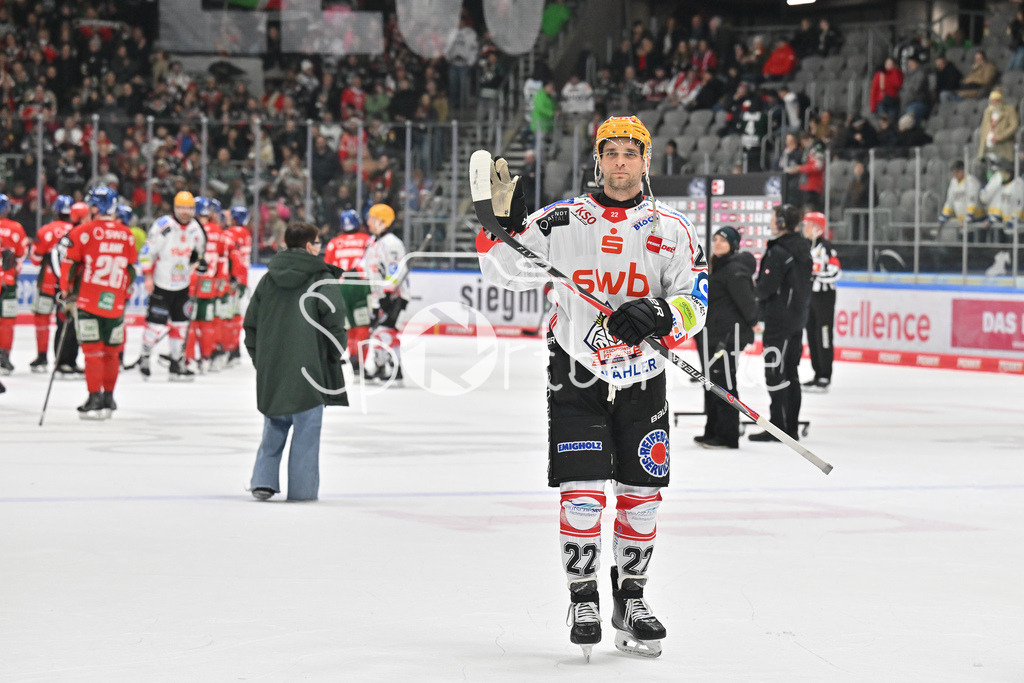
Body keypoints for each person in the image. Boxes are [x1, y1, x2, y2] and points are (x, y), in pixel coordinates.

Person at [476, 115, 709, 659]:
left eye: (632, 152)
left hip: (643, 377)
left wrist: (659, 313)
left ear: (647, 162)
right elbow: (502, 268)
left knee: (642, 499)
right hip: (577, 369)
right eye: (612, 152)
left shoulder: (672, 228)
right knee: (582, 495)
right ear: (598, 160)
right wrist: (498, 221)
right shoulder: (563, 219)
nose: (621, 161)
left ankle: (631, 599)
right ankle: (582, 597)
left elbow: (696, 299)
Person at [244, 223, 348, 502]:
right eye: (317, 242)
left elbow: (250, 324)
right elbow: (335, 320)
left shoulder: (268, 280)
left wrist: (261, 360)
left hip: (274, 367)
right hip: (310, 369)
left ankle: (263, 480)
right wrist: (333, 355)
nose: (320, 246)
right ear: (308, 246)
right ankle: (301, 490)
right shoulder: (321, 279)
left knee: (274, 422)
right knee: (306, 429)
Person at [58, 186, 137, 419]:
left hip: (89, 301)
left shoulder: (82, 232)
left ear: (94, 207)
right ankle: (109, 397)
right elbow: (130, 270)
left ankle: (94, 397)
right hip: (115, 303)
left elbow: (69, 265)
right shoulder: (127, 234)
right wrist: (123, 295)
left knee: (93, 352)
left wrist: (66, 292)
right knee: (112, 352)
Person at [750, 204, 811, 442]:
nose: (772, 223)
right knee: (791, 371)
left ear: (783, 222)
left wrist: (753, 296)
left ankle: (779, 426)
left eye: (775, 219)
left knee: (775, 372)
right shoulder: (803, 249)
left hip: (779, 321)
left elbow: (765, 288)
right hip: (796, 319)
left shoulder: (780, 252)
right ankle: (790, 426)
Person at [694, 226, 757, 449]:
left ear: (733, 244)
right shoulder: (719, 268)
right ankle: (712, 430)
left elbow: (748, 304)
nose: (718, 243)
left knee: (724, 384)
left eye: (723, 240)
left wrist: (751, 324)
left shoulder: (734, 270)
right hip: (710, 335)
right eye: (716, 239)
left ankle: (727, 435)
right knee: (711, 384)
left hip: (725, 338)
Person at [137, 191, 207, 380]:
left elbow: (200, 253)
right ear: (175, 208)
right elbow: (146, 252)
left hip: (182, 285)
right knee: (155, 326)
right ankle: (145, 356)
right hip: (161, 284)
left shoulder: (196, 229)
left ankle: (177, 363)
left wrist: (199, 262)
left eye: (189, 208)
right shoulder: (163, 226)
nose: (185, 212)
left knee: (181, 326)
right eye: (182, 207)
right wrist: (148, 277)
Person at [27, 195, 74, 373]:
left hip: (47, 283)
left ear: (55, 211)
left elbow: (35, 259)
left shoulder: (46, 230)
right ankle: (64, 360)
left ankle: (42, 357)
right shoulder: (76, 230)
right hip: (67, 285)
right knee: (65, 323)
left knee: (42, 319)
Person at [360, 203, 407, 383]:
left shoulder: (391, 243)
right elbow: (367, 267)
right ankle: (381, 364)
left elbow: (395, 271)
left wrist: (388, 294)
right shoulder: (373, 242)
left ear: (383, 222)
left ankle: (396, 367)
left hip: (394, 296)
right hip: (378, 296)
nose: (369, 221)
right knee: (377, 330)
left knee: (384, 330)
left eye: (373, 218)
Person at [324, 209, 373, 371]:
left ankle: (352, 355)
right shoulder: (367, 240)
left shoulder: (334, 243)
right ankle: (360, 359)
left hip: (341, 287)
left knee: (349, 324)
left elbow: (327, 268)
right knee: (363, 323)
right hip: (361, 285)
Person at [801, 212, 841, 392]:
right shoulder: (805, 247)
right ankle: (817, 373)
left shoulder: (826, 248)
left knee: (823, 334)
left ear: (818, 228)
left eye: (808, 225)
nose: (805, 228)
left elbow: (835, 272)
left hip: (824, 297)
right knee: (811, 334)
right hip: (810, 297)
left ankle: (825, 375)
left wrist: (813, 277)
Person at [0, 193, 27, 375]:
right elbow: (22, 254)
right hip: (8, 281)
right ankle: (4, 356)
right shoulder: (16, 228)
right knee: (7, 321)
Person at [222, 205, 252, 367]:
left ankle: (229, 350)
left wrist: (233, 276)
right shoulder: (246, 233)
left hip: (232, 280)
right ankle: (234, 350)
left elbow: (232, 255)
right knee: (234, 316)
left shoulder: (231, 233)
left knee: (227, 316)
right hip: (242, 280)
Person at [938, 160, 985, 241]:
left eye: (957, 171)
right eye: (954, 171)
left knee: (975, 248)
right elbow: (949, 202)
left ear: (963, 170)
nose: (955, 174)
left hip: (976, 221)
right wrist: (942, 219)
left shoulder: (971, 182)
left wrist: (967, 219)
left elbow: (972, 202)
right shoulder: (953, 182)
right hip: (962, 223)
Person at [977, 89, 1019, 168]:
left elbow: (1014, 126)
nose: (995, 103)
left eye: (997, 100)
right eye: (993, 101)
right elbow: (984, 127)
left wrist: (999, 137)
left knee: (1002, 169)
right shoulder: (987, 111)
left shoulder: (1009, 110)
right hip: (988, 147)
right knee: (984, 168)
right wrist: (984, 142)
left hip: (1003, 145)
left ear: (1001, 101)